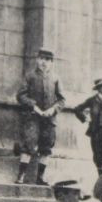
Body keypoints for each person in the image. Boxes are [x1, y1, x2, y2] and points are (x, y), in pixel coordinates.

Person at [15, 48, 65, 185]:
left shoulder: (55, 78)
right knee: (28, 145)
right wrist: (34, 106)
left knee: (46, 148)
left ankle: (40, 177)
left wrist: (53, 110)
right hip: (32, 118)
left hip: (49, 120)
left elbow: (62, 100)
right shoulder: (30, 76)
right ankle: (21, 176)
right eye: (42, 59)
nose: (44, 63)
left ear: (52, 63)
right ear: (37, 60)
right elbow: (20, 95)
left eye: (48, 60)